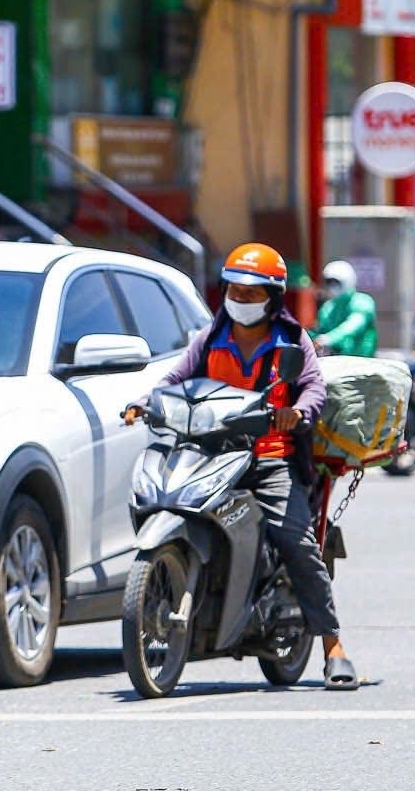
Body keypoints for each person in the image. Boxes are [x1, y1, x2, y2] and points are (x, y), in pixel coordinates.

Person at [120, 242, 358, 691]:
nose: (241, 299)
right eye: (235, 290)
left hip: (269, 458)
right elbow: (174, 379)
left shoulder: (293, 341)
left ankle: (333, 647)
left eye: (252, 293)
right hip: (210, 452)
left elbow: (313, 389)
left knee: (295, 541)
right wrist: (144, 401)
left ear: (272, 297)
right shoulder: (210, 337)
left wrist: (297, 413)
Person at [311, 259, 378, 358]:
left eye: (336, 282)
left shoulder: (362, 301)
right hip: (336, 361)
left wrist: (330, 338)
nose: (332, 286)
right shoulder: (328, 307)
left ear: (348, 280)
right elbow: (320, 330)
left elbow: (354, 325)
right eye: (329, 282)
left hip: (363, 361)